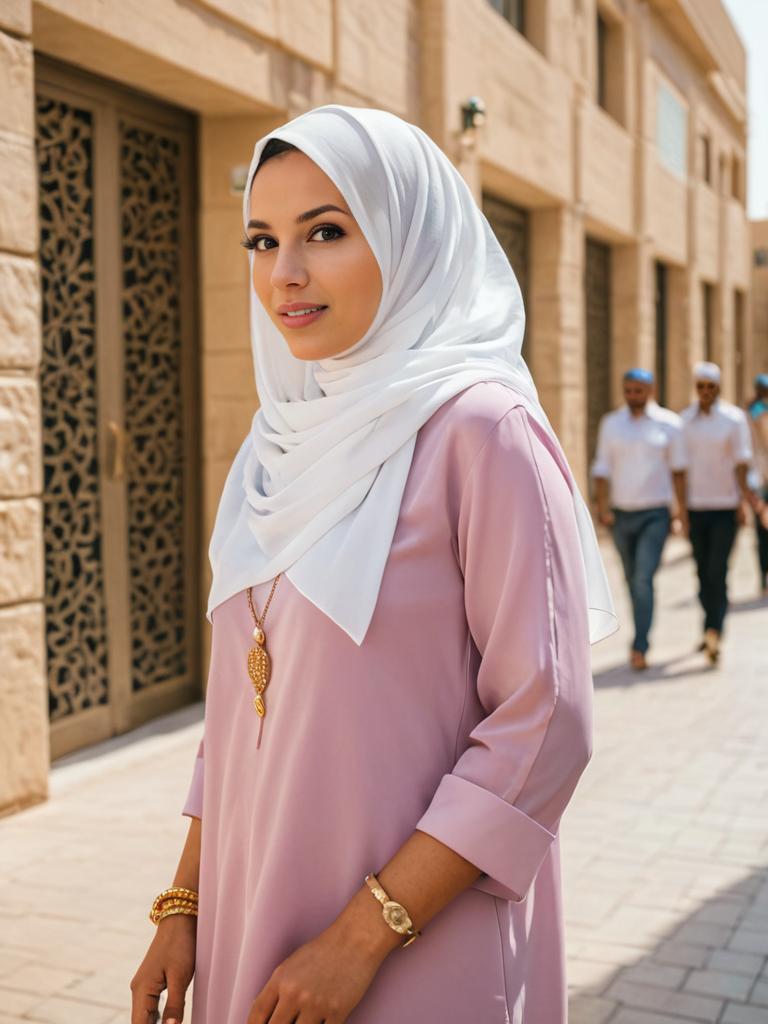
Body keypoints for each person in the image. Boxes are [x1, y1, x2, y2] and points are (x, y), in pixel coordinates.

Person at [130, 105, 616, 1024]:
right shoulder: (277, 446)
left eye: (326, 231)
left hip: (415, 948)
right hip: (255, 922)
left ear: (410, 234)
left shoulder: (482, 432)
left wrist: (360, 939)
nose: (286, 273)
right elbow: (241, 705)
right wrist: (186, 903)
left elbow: (545, 720)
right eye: (262, 240)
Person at [592, 368, 687, 670]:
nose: (633, 396)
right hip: (622, 516)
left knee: (643, 578)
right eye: (628, 390)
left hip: (655, 514)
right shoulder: (611, 424)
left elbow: (679, 471)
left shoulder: (670, 425)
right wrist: (602, 508)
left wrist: (680, 513)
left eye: (639, 391)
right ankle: (641, 633)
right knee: (632, 580)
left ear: (650, 390)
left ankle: (640, 646)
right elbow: (602, 469)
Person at [681, 362, 754, 664]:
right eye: (701, 386)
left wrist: (744, 502)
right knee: (701, 572)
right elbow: (679, 469)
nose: (706, 392)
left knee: (717, 569)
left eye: (711, 386)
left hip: (725, 507)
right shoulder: (684, 421)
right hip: (696, 508)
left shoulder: (734, 419)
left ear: (719, 388)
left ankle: (715, 631)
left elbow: (741, 463)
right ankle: (709, 625)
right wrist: (681, 511)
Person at [746, 373, 768, 594]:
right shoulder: (754, 414)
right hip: (761, 482)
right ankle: (763, 576)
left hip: (759, 480)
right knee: (763, 532)